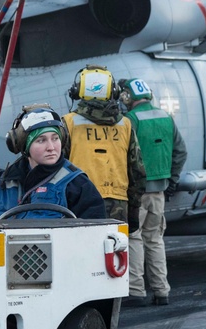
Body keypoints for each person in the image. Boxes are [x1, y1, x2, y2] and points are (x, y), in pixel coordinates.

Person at [119, 77, 188, 306]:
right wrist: (172, 179)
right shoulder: (166, 117)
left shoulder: (130, 120)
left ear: (127, 97)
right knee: (155, 239)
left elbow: (124, 155)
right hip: (159, 192)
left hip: (136, 193)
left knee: (134, 237)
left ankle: (136, 290)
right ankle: (161, 291)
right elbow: (181, 151)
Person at [62, 64, 146, 229]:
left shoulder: (68, 123)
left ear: (78, 91)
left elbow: (58, 165)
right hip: (117, 202)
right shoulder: (125, 124)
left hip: (78, 199)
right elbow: (137, 170)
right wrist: (134, 207)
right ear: (113, 91)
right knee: (115, 244)